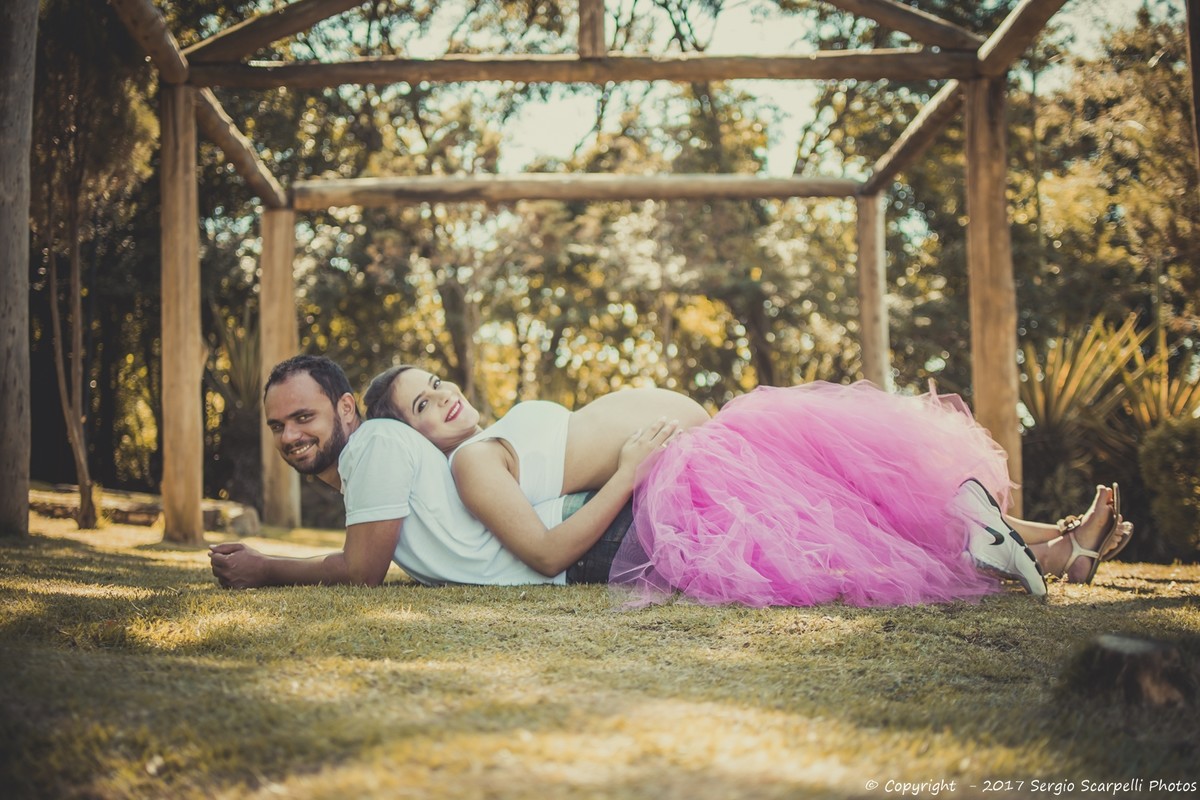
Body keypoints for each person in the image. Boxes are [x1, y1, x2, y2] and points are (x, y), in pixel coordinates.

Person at [364, 366, 1132, 607]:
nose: (442, 399)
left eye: (436, 383)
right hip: (677, 477)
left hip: (692, 457)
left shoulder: (495, 435)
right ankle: (1035, 546)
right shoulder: (469, 463)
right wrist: (629, 469)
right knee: (845, 497)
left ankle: (1058, 546)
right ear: (410, 436)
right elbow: (544, 552)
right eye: (420, 407)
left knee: (854, 487)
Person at [208, 355, 668, 589]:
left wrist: (266, 568)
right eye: (278, 426)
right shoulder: (380, 452)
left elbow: (361, 571)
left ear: (346, 409)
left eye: (303, 417)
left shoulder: (376, 441)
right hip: (585, 536)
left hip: (589, 541)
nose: (290, 436)